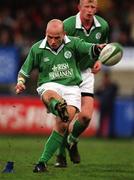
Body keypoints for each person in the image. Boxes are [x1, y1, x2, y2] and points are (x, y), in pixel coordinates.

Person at [15, 19, 104, 173]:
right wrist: (21, 82)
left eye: (57, 37)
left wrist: (99, 48)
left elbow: (89, 49)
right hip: (49, 84)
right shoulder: (37, 48)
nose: (53, 41)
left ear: (64, 34)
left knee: (63, 125)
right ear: (45, 34)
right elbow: (24, 71)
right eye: (50, 37)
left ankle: (41, 163)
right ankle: (57, 105)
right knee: (51, 95)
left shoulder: (74, 43)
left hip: (72, 88)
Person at [55, 0, 109, 167]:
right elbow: (55, 48)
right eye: (86, 6)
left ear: (96, 9)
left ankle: (72, 140)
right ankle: (60, 154)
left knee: (85, 116)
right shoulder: (68, 25)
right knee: (64, 118)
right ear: (79, 8)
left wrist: (99, 60)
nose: (90, 10)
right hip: (67, 74)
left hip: (85, 73)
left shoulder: (103, 26)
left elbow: (102, 48)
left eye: (93, 7)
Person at [95, 70, 118, 138]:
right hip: (103, 106)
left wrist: (104, 88)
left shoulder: (113, 86)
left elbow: (114, 92)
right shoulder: (102, 87)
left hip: (110, 105)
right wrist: (101, 87)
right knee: (101, 120)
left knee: (111, 120)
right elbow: (97, 93)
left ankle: (112, 134)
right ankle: (99, 134)